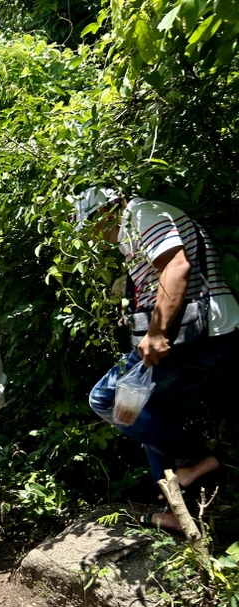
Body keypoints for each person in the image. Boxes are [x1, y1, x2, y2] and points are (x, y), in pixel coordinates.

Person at [79, 189, 239, 532]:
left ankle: (197, 460)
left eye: (89, 226)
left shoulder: (141, 214)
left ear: (103, 212)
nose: (93, 236)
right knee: (152, 412)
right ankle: (178, 512)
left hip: (200, 335)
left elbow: (177, 267)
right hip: (203, 336)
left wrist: (156, 331)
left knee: (108, 399)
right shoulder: (135, 227)